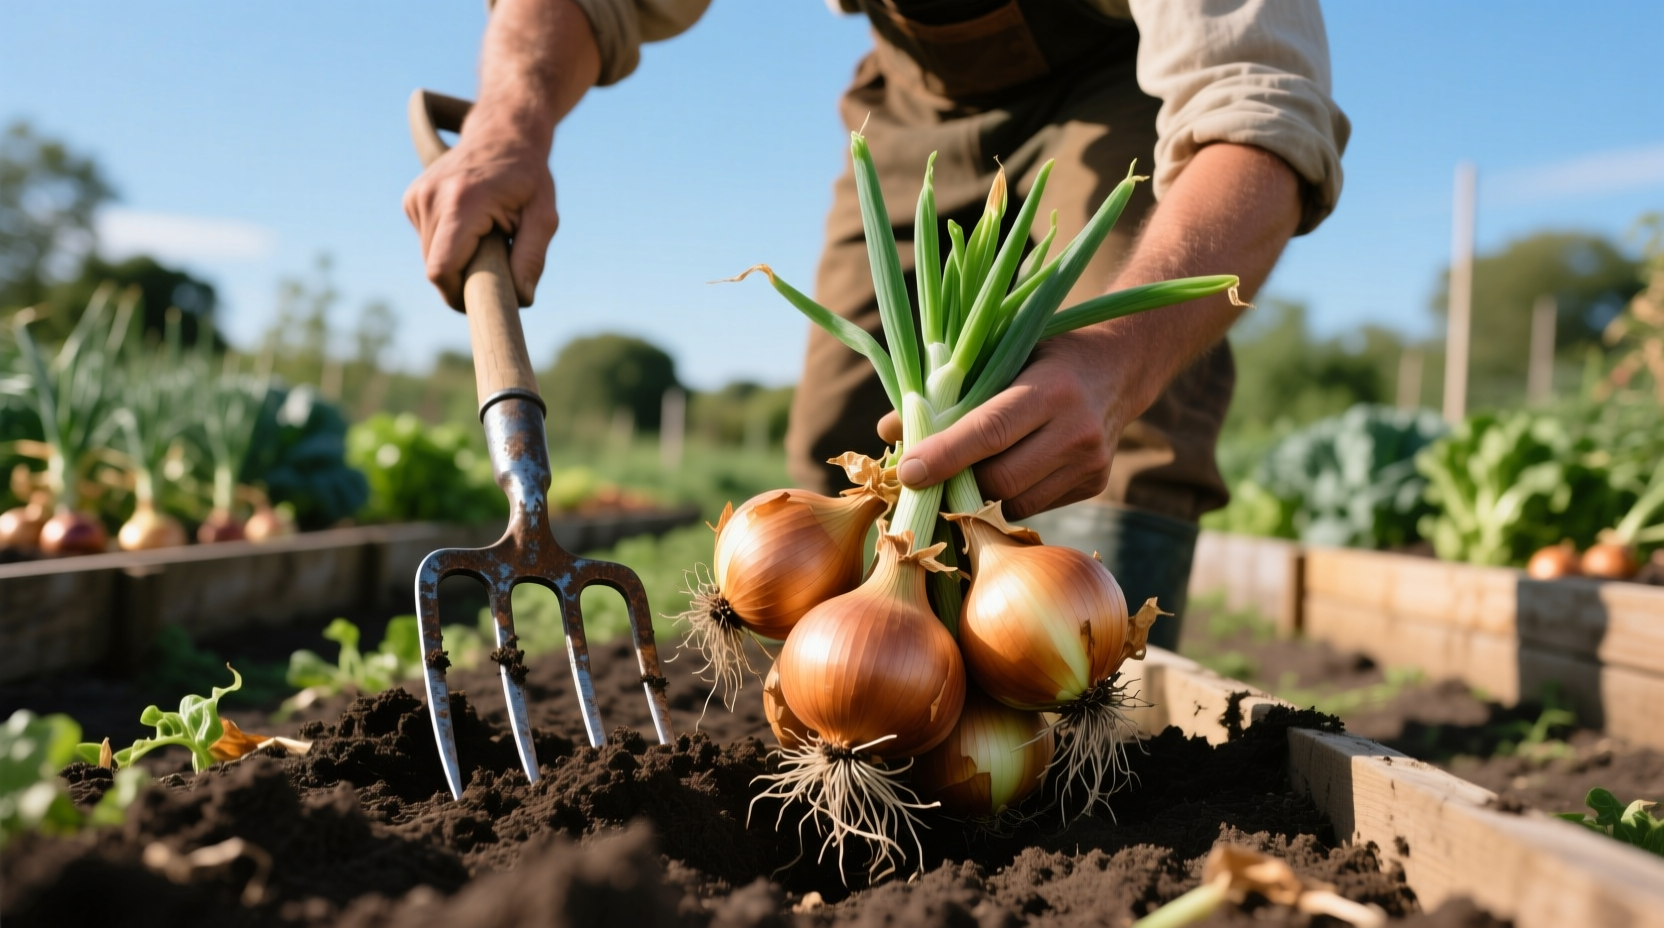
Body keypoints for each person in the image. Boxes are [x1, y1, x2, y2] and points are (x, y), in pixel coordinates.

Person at [403, 0, 1350, 649]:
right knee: (840, 437)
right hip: (914, 100)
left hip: (1129, 82)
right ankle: (854, 722)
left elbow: (1259, 114)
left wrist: (1118, 362)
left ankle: (1093, 719)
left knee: (1095, 431)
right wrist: (508, 123)